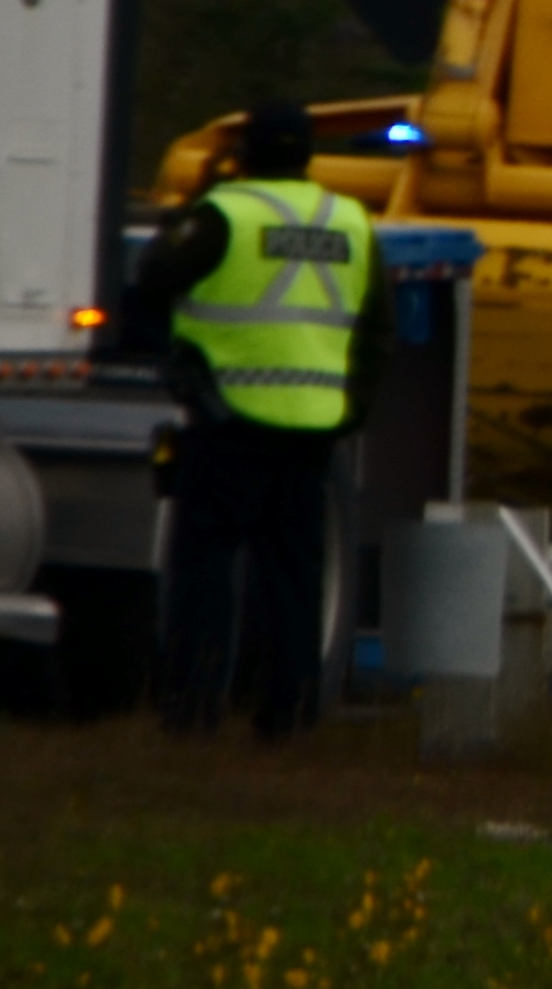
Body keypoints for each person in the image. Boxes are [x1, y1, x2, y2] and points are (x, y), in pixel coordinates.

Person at [115, 103, 380, 738]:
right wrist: (349, 412)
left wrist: (200, 195)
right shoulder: (351, 220)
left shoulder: (225, 212)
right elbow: (378, 332)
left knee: (205, 571)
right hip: (313, 427)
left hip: (229, 419)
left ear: (246, 154)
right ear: (309, 154)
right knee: (293, 580)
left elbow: (152, 276)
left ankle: (193, 714)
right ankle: (287, 719)